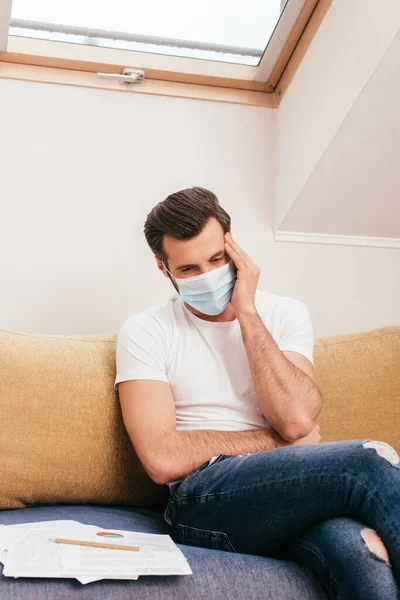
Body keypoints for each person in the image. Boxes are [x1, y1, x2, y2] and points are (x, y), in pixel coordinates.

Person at [114, 186, 400, 599]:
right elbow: (161, 459)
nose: (208, 276)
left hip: (288, 497)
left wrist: (246, 311)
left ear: (235, 250)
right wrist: (278, 442)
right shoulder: (145, 330)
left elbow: (298, 419)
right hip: (204, 501)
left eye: (217, 260)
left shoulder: (284, 313)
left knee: (360, 557)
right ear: (164, 269)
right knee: (369, 461)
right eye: (189, 269)